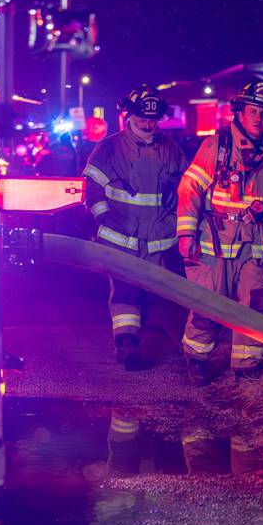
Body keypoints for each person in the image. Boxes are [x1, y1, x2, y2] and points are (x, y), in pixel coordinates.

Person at [177, 78, 263, 386]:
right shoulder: (217, 145)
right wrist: (186, 234)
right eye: (253, 111)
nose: (259, 118)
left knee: (257, 305)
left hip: (256, 247)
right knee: (208, 306)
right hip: (215, 244)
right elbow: (190, 189)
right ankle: (197, 358)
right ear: (240, 112)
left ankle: (247, 366)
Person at [83, 85, 186, 369]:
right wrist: (103, 217)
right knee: (126, 293)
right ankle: (127, 345)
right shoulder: (110, 147)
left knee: (152, 296)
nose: (147, 123)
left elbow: (186, 187)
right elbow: (91, 187)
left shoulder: (171, 150)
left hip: (159, 242)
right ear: (129, 114)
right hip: (120, 239)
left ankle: (144, 339)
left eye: (152, 119)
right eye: (142, 117)